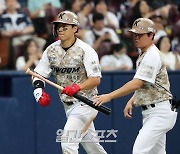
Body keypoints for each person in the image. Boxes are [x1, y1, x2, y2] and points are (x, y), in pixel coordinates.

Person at [93, 18, 177, 154]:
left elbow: (137, 83)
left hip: (159, 113)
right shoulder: (145, 54)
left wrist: (109, 96)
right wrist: (132, 100)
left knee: (139, 151)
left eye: (141, 35)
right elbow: (146, 84)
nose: (136, 38)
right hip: (154, 112)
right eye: (135, 34)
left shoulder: (152, 55)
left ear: (151, 35)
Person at [31, 10, 107, 154]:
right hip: (68, 105)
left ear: (75, 28)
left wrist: (77, 87)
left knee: (68, 142)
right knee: (93, 148)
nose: (60, 29)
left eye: (65, 26)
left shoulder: (86, 50)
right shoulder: (51, 50)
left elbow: (95, 79)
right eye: (58, 26)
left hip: (86, 102)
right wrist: (38, 90)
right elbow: (38, 74)